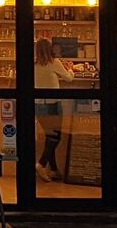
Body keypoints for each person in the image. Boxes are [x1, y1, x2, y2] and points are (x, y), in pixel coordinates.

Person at [33, 38, 74, 182]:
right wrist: (70, 69)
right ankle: (41, 164)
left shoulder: (34, 65)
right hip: (52, 103)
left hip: (38, 104)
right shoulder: (54, 62)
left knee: (50, 136)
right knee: (56, 136)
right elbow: (68, 78)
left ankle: (54, 170)